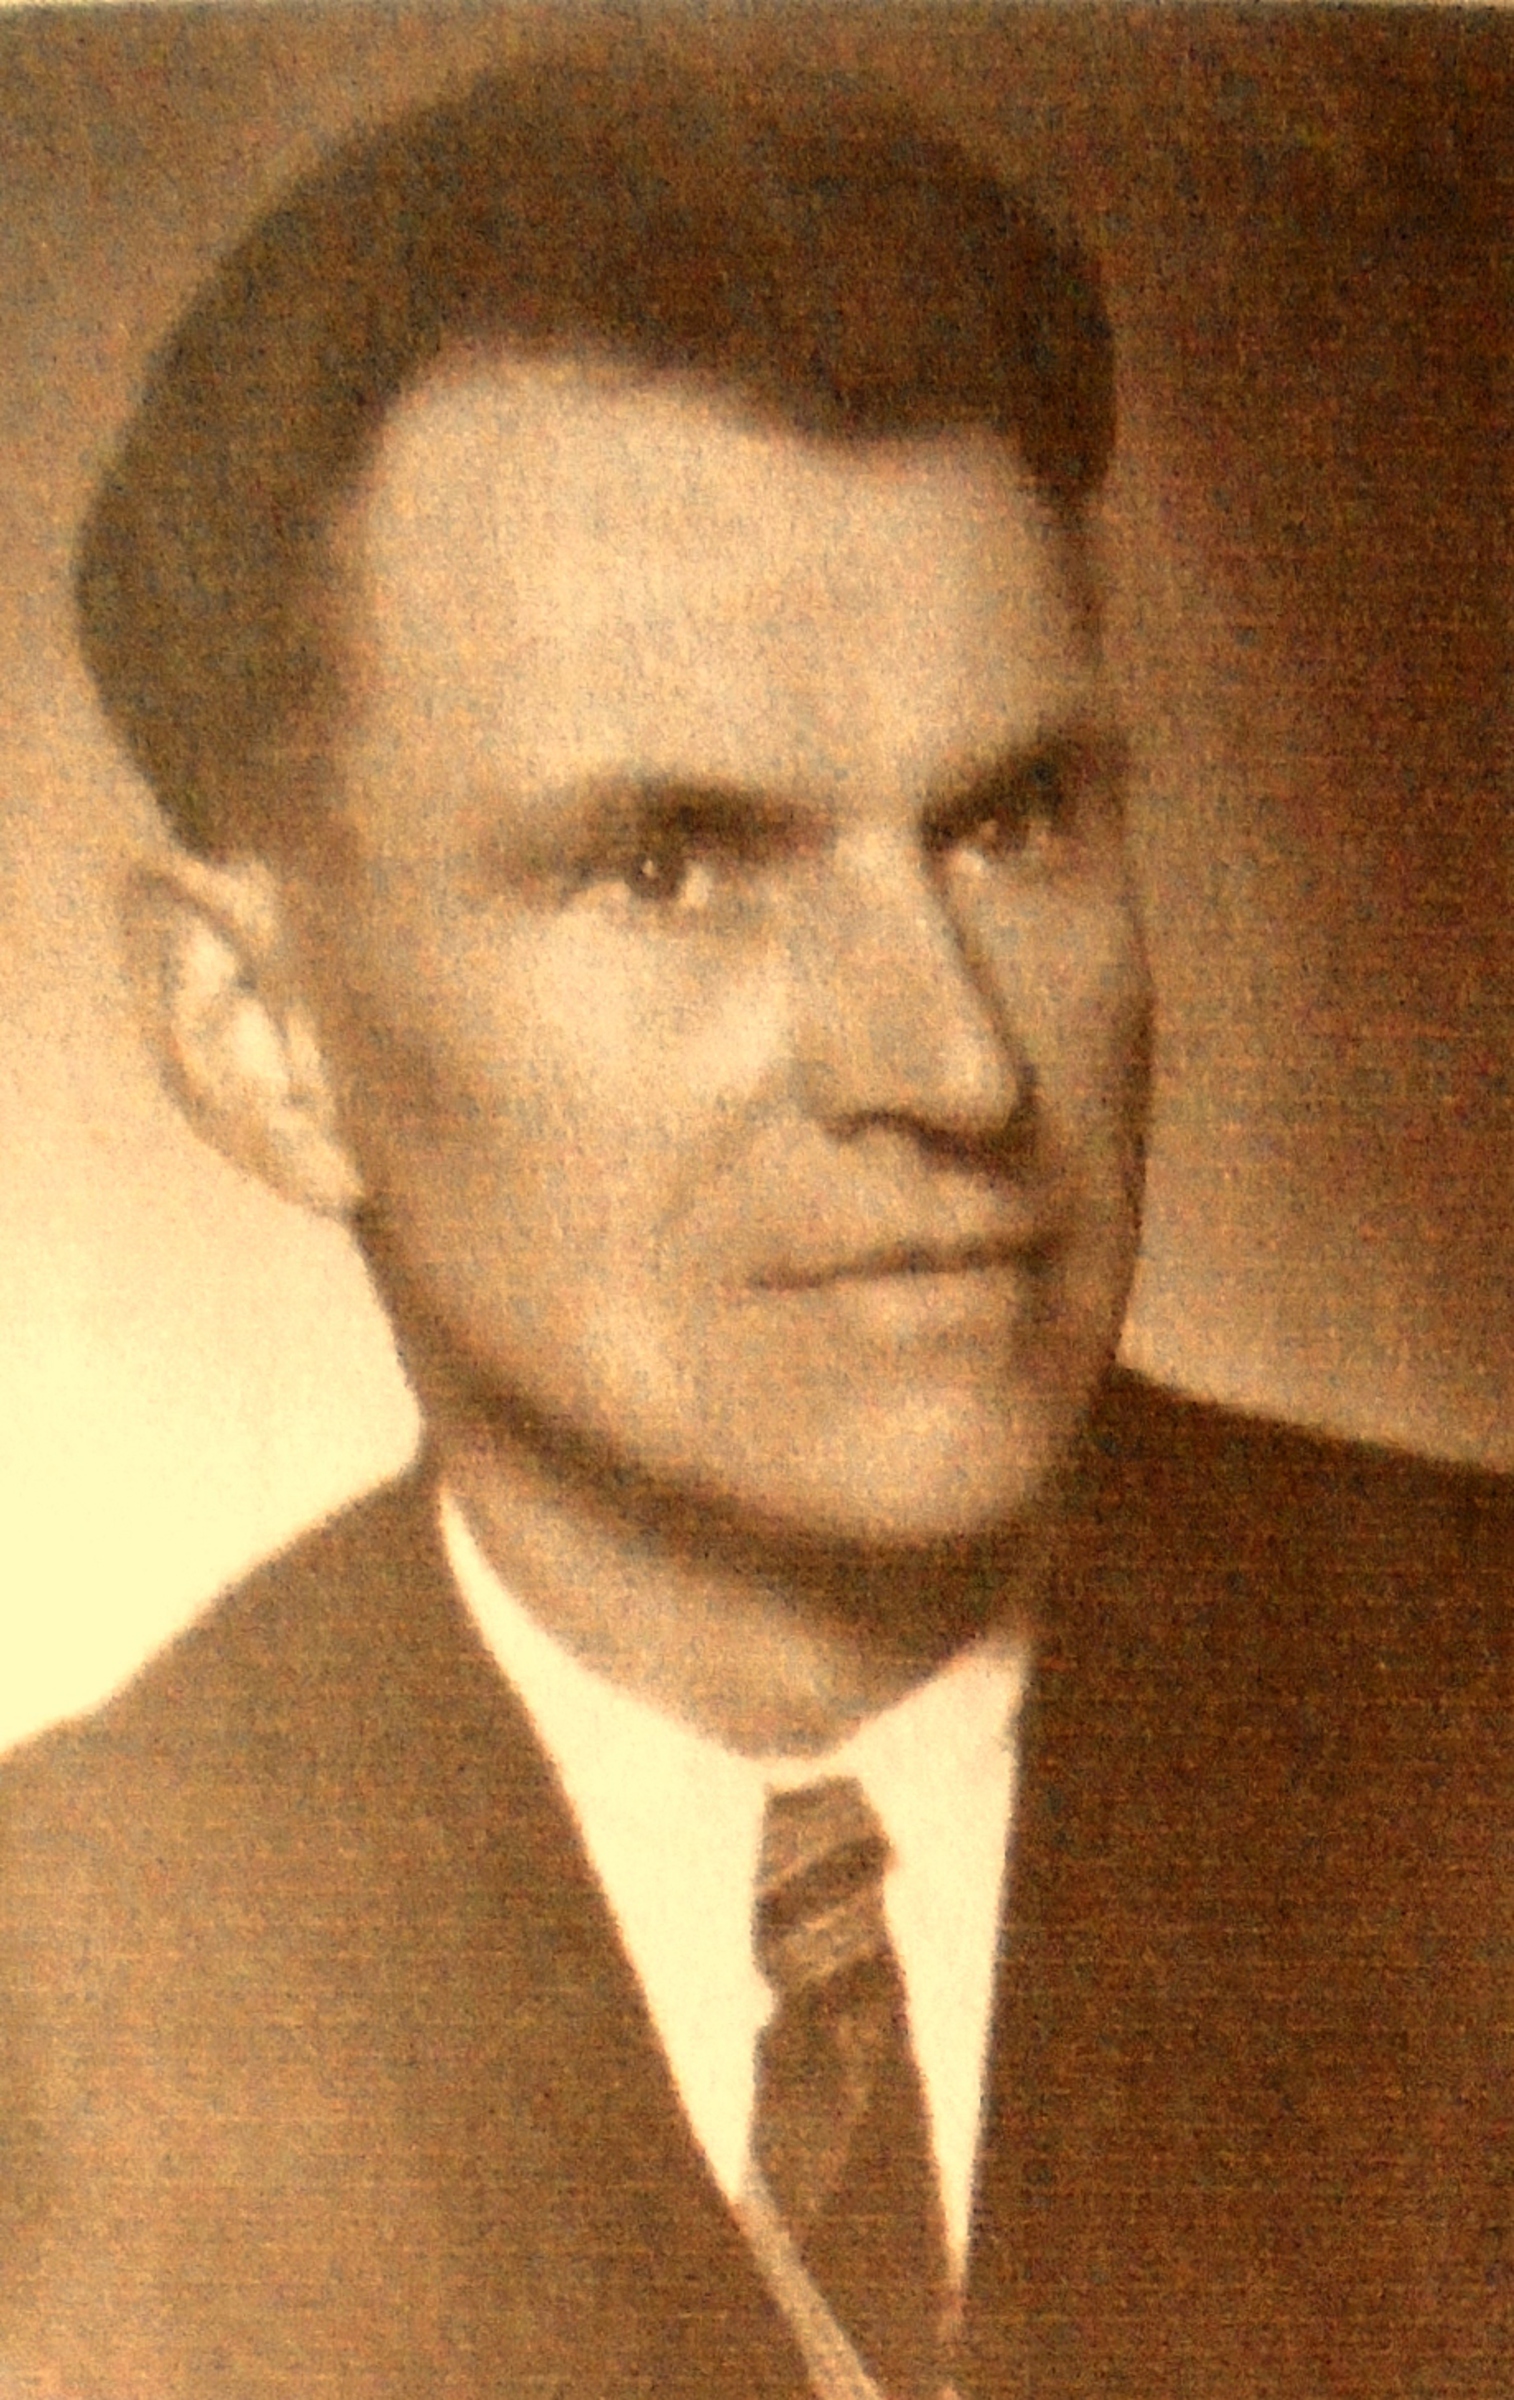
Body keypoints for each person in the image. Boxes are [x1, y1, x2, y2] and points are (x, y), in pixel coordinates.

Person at [0, 49, 1506, 2400]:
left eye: (1011, 824)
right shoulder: (62, 1991)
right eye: (669, 867)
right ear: (257, 1037)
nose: (957, 1066)